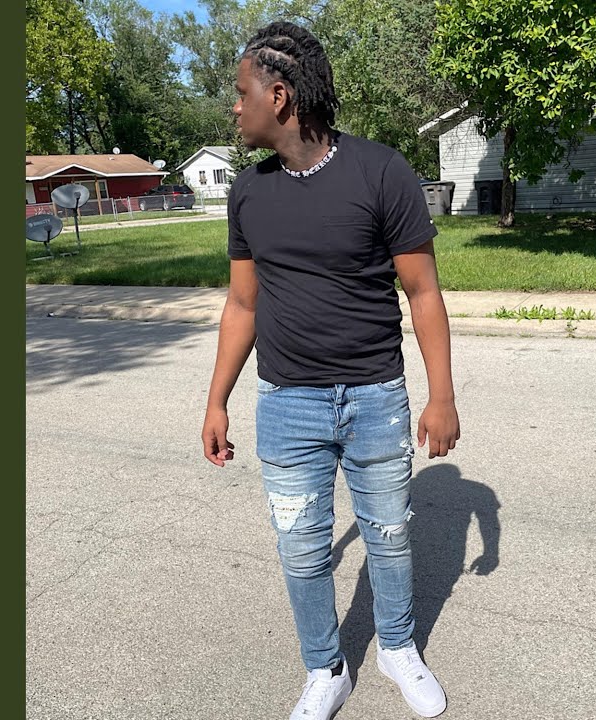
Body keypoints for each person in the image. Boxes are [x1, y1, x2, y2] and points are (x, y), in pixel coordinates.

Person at [200, 20, 460, 720]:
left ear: (279, 96)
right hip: (288, 404)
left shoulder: (381, 171)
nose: (235, 107)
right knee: (301, 549)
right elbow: (243, 303)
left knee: (390, 536)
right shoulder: (248, 193)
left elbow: (424, 292)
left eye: (242, 92)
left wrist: (440, 397)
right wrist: (217, 400)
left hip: (376, 397)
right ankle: (326, 668)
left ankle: (398, 648)